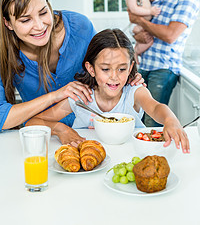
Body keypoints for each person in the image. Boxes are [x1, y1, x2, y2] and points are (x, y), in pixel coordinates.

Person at [0, 0, 143, 145]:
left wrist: (128, 75)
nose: (39, 26)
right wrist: (56, 97)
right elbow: (2, 118)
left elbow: (105, 64)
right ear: (8, 23)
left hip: (90, 132)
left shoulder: (79, 26)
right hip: (42, 135)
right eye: (25, 20)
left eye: (43, 12)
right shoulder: (5, 52)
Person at [27, 29, 190, 153]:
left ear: (131, 67)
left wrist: (170, 120)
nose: (114, 77)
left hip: (131, 158)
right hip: (90, 164)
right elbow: (33, 123)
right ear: (91, 69)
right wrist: (61, 129)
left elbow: (155, 107)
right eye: (105, 69)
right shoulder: (81, 97)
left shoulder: (134, 93)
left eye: (121, 69)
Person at [128, 0, 200, 127]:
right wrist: (139, 34)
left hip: (163, 68)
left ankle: (156, 156)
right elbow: (135, 20)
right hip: (144, 64)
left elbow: (169, 35)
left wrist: (141, 21)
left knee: (153, 121)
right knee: (136, 119)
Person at [126, 0, 167, 64]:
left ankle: (136, 50)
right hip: (137, 25)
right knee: (149, 40)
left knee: (146, 40)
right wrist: (150, 11)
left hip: (144, 24)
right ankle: (135, 52)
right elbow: (134, 9)